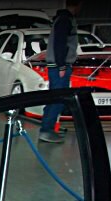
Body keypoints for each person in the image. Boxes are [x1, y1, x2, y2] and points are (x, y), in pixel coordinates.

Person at [39, 0, 82, 144]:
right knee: (58, 99)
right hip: (59, 66)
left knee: (55, 98)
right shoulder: (65, 20)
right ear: (77, 5)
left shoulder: (62, 19)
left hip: (57, 65)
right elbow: (60, 44)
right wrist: (62, 66)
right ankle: (46, 130)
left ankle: (48, 128)